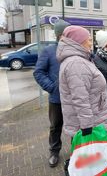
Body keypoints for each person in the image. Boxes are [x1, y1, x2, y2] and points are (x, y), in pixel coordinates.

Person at [56, 26, 107, 175]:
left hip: (94, 117)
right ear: (78, 41)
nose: (90, 43)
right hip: (91, 123)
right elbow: (80, 99)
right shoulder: (76, 63)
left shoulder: (80, 59)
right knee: (88, 164)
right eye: (88, 39)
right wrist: (87, 129)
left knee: (90, 163)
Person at [33, 19, 70, 167]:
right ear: (60, 35)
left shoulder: (74, 50)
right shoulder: (48, 51)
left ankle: (77, 150)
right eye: (68, 33)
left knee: (76, 125)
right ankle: (54, 152)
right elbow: (38, 72)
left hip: (74, 98)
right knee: (55, 126)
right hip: (56, 98)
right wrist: (52, 87)